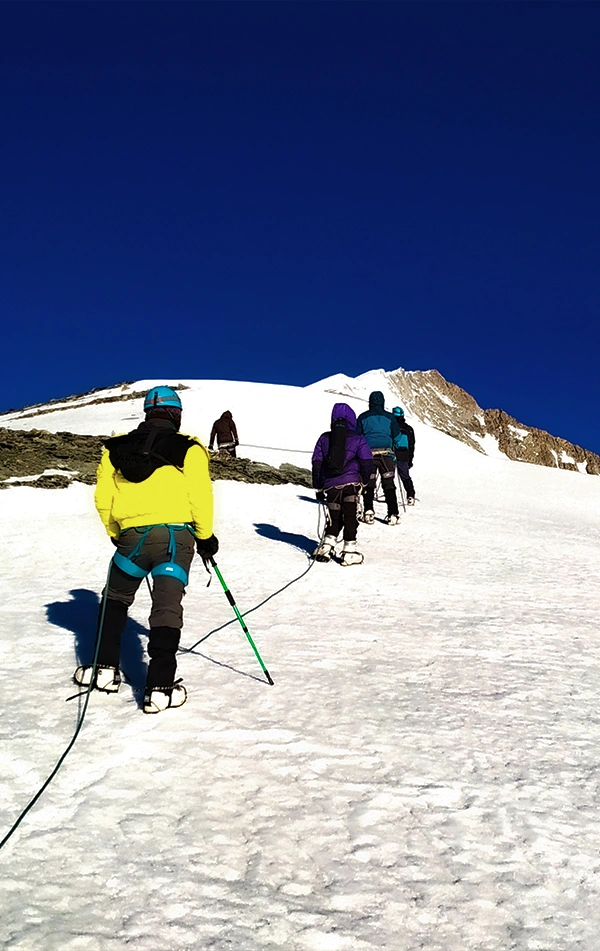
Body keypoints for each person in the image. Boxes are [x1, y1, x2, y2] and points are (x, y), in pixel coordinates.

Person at [74, 386, 219, 714]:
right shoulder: (190, 449)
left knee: (115, 599)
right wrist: (206, 536)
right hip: (174, 540)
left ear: (147, 413)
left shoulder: (115, 449)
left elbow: (102, 498)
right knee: (166, 608)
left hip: (131, 538)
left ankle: (103, 669)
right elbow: (201, 496)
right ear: (175, 414)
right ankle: (160, 687)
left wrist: (115, 531)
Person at [311, 403, 373, 566]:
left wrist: (318, 486)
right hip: (351, 483)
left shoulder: (325, 438)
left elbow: (317, 462)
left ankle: (327, 546)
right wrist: (365, 481)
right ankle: (349, 551)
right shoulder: (358, 439)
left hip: (331, 485)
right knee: (351, 516)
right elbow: (367, 462)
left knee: (334, 517)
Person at [356, 391, 404, 525]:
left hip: (367, 455)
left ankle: (368, 511)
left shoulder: (363, 417)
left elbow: (357, 436)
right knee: (388, 484)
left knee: (369, 483)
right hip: (386, 455)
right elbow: (397, 437)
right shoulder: (390, 417)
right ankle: (393, 514)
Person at [392, 406, 416, 505]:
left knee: (388, 476)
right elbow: (411, 446)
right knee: (405, 476)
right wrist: (410, 460)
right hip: (404, 455)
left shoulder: (391, 427)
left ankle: (389, 494)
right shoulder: (409, 429)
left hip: (391, 453)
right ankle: (411, 495)